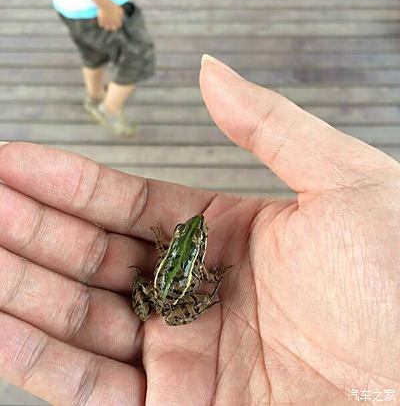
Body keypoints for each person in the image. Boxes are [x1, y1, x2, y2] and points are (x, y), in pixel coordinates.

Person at [0, 55, 399, 405]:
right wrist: (211, 288)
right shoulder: (188, 257)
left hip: (160, 292)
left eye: (196, 235)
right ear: (186, 242)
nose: (196, 235)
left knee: (148, 290)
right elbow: (202, 275)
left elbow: (177, 262)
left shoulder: (172, 250)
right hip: (169, 298)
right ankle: (182, 299)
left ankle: (153, 293)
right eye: (193, 235)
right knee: (174, 296)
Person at [49, 0, 155, 136]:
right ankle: (109, 110)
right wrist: (105, 5)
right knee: (137, 59)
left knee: (92, 52)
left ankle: (95, 97)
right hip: (98, 7)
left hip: (71, 6)